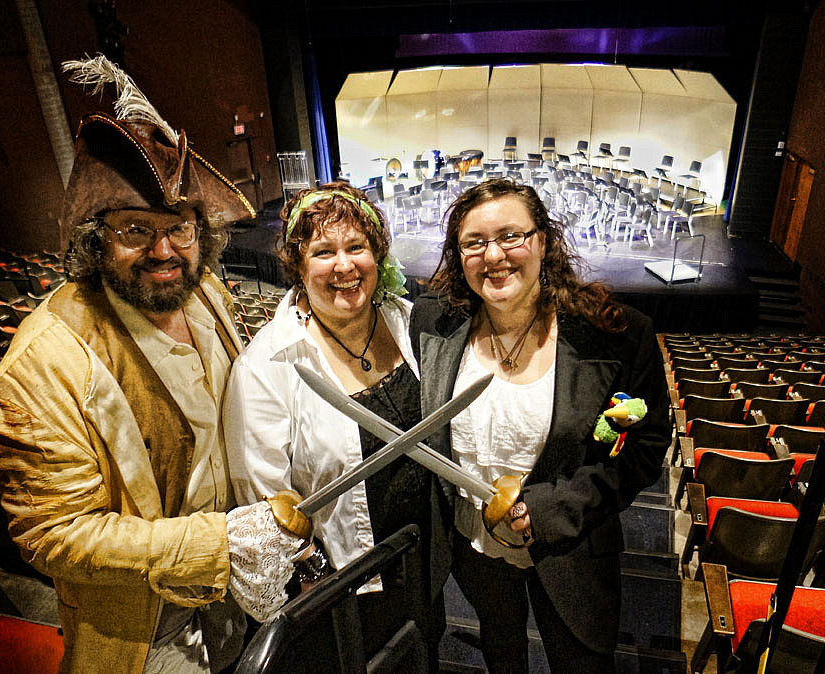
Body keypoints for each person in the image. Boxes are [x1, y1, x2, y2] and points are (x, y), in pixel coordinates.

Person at [0, 56, 303, 674]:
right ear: (93, 239)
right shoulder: (42, 366)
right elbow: (56, 533)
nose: (164, 252)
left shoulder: (204, 290)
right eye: (135, 230)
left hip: (236, 592)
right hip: (147, 628)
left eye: (179, 228)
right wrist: (221, 543)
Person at [410, 178, 671, 673]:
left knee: (580, 663)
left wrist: (556, 507)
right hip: (475, 549)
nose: (494, 256)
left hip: (573, 551)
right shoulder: (434, 325)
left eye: (511, 236)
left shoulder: (615, 334)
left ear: (543, 241)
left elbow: (645, 447)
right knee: (501, 650)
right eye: (475, 243)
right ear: (457, 254)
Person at [223, 184, 447, 668]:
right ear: (299, 266)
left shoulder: (407, 321)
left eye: (356, 248)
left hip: (425, 554)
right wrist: (316, 572)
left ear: (377, 254)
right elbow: (264, 499)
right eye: (323, 252)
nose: (343, 266)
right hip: (346, 582)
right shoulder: (266, 366)